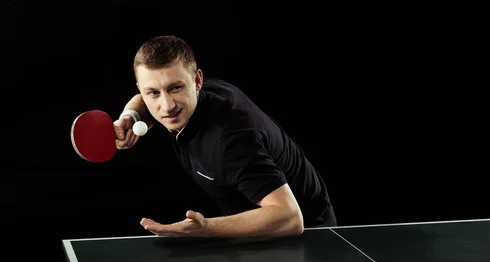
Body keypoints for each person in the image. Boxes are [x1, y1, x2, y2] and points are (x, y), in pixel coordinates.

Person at [113, 35, 336, 238]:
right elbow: (143, 98)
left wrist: (206, 228)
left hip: (306, 236)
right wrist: (129, 116)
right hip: (256, 223)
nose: (167, 106)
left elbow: (289, 217)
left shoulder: (230, 140)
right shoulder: (197, 96)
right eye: (153, 92)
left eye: (175, 88)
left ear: (197, 81)